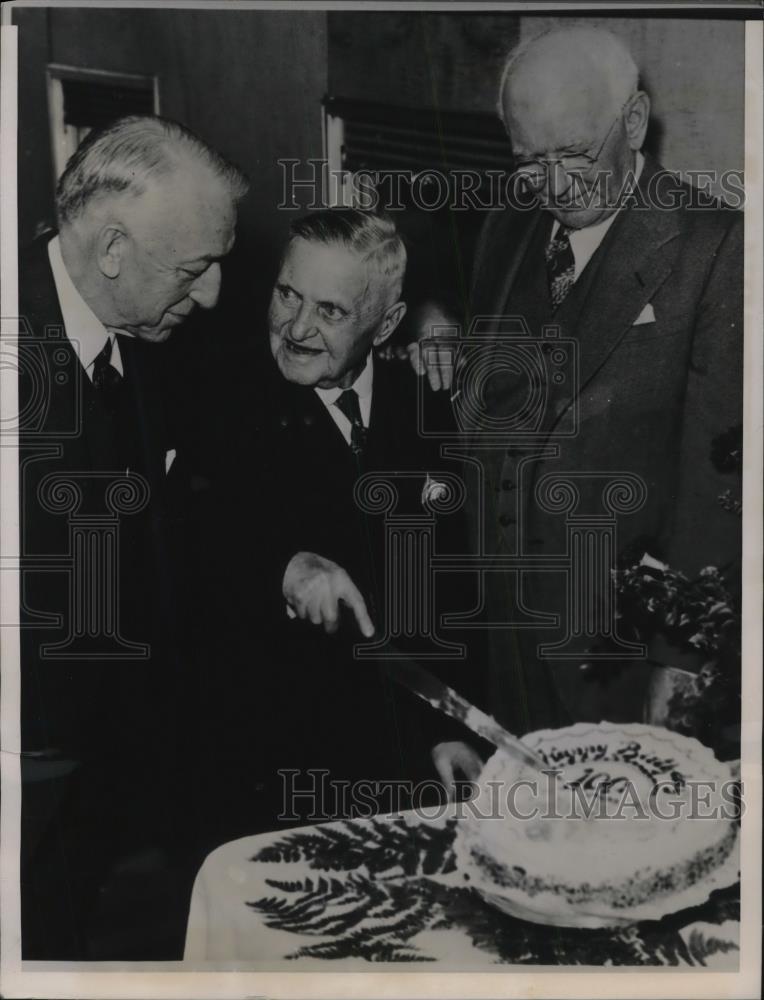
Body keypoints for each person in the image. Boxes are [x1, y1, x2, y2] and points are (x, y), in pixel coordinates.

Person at [409, 26, 743, 737]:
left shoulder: (719, 249)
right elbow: (430, 261)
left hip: (621, 662)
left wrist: (679, 663)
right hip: (500, 643)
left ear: (633, 121)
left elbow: (720, 495)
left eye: (575, 154)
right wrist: (434, 319)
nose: (555, 186)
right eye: (531, 160)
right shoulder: (508, 224)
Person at [18, 114, 248, 958]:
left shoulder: (147, 339)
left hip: (92, 780)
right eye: (195, 268)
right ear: (112, 248)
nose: (214, 293)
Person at [195, 209, 488, 849]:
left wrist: (449, 727)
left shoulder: (428, 406)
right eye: (287, 295)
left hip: (408, 763)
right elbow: (194, 540)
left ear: (386, 325)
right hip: (268, 763)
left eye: (330, 311)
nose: (297, 328)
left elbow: (450, 589)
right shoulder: (213, 395)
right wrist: (282, 563)